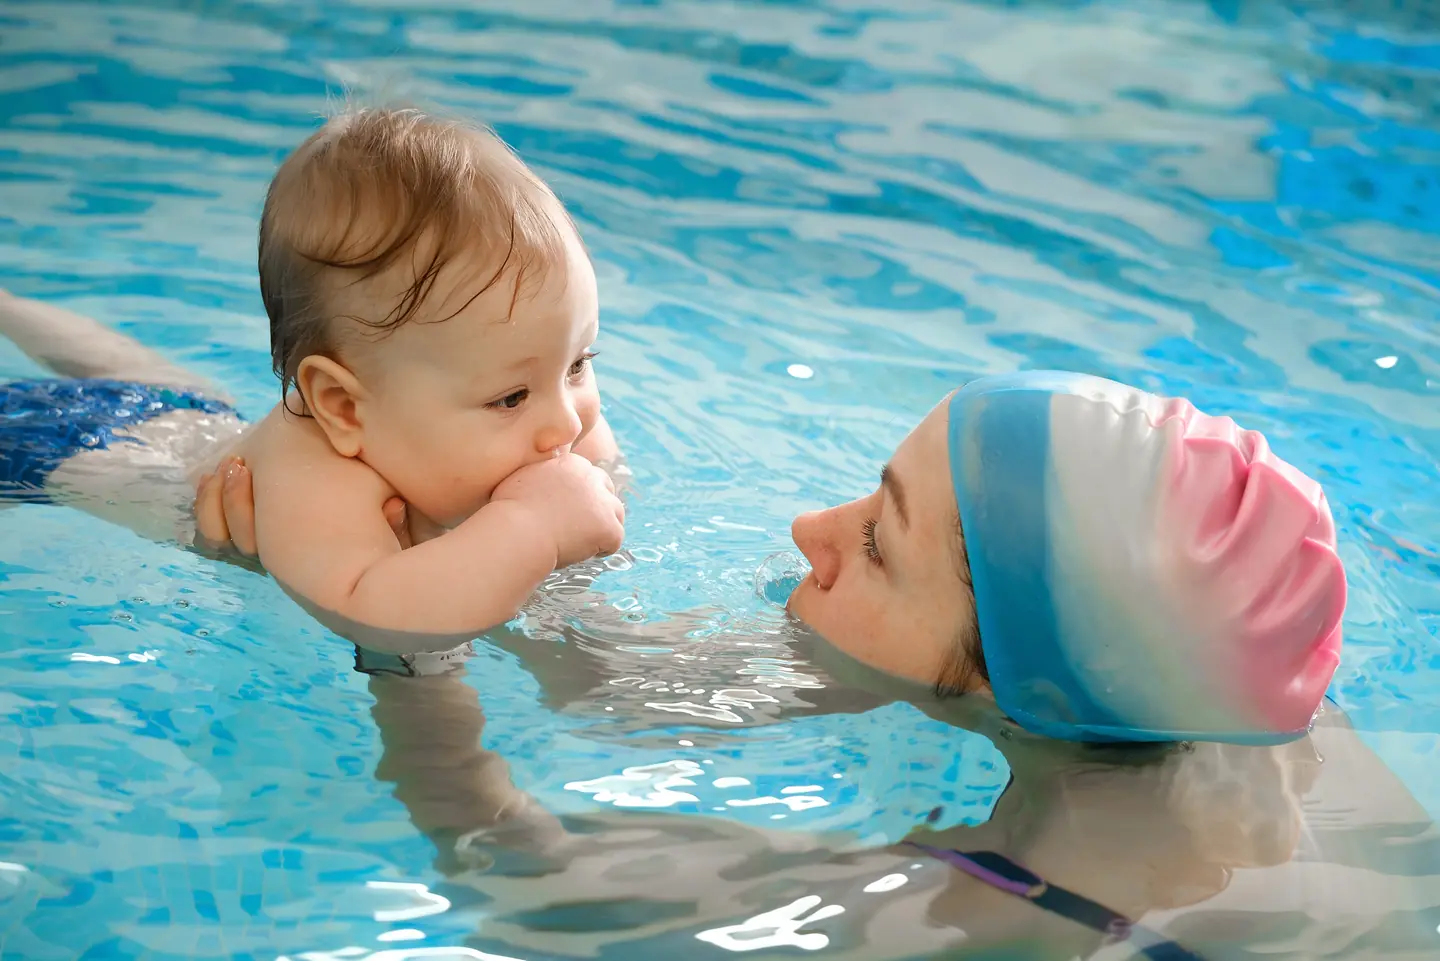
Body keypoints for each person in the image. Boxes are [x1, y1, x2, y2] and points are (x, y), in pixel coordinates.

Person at [198, 372, 1436, 959]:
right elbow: (672, 689)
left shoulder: (992, 927)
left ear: (1013, 688)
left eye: (878, 543)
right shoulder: (1255, 703)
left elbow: (512, 872)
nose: (810, 529)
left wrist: (402, 644)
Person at [0, 105, 627, 652]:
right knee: (123, 379)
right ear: (344, 407)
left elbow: (594, 503)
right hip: (57, 450)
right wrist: (531, 530)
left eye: (578, 364)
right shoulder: (317, 478)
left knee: (138, 374)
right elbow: (382, 619)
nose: (566, 424)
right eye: (511, 397)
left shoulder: (544, 420)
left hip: (188, 416)